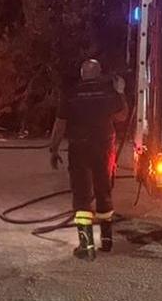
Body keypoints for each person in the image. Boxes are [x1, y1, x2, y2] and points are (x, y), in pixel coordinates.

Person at [49, 58, 126, 260]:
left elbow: (60, 124)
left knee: (82, 196)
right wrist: (120, 92)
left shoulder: (71, 93)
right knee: (104, 192)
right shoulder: (108, 92)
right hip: (104, 149)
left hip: (79, 149)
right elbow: (121, 117)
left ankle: (87, 246)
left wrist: (53, 149)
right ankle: (107, 242)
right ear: (99, 73)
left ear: (82, 73)